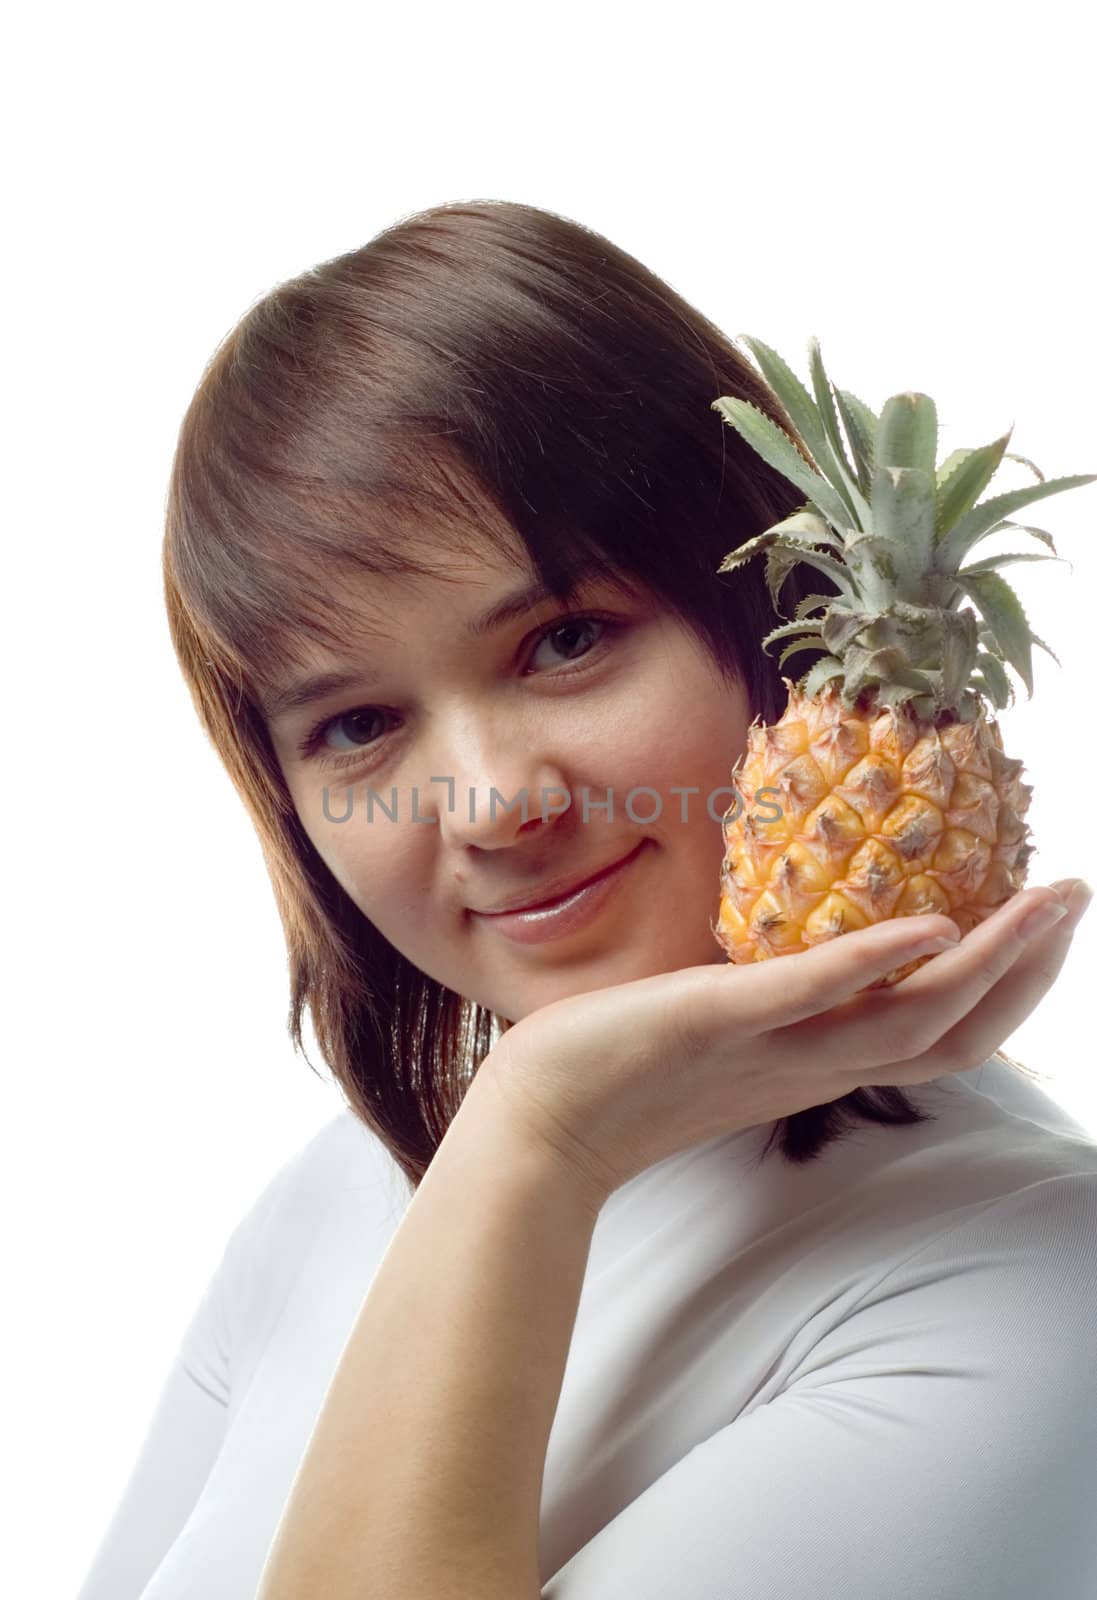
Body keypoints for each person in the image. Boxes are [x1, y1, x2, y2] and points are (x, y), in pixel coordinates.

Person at [75, 199, 1097, 1600]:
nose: (491, 804)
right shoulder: (345, 1188)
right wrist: (517, 1138)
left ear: (772, 612)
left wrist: (540, 1138)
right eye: (359, 725)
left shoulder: (1033, 1280)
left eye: (565, 640)